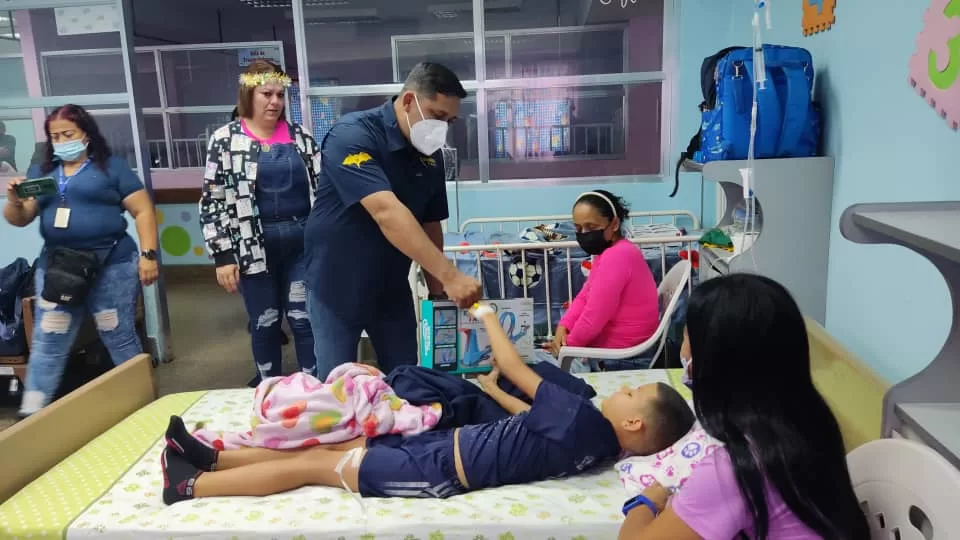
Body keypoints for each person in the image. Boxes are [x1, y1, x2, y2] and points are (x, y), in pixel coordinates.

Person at [160, 301, 695, 505]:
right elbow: (533, 421)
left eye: (630, 392)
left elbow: (515, 368)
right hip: (443, 450)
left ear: (632, 421)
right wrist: (491, 393)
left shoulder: (582, 418)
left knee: (311, 465)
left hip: (435, 470)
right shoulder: (599, 444)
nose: (619, 389)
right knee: (336, 447)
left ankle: (190, 486)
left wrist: (485, 312)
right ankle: (212, 458)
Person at [617, 274, 870, 540]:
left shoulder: (735, 469)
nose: (684, 352)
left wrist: (645, 501)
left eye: (687, 337)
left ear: (711, 361)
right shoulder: (812, 424)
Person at [302, 62, 482, 380]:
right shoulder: (352, 134)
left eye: (449, 121)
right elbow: (386, 212)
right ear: (409, 100)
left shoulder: (430, 157)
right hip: (336, 286)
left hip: (391, 289)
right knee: (337, 385)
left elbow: (430, 223)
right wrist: (451, 275)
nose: (442, 128)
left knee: (405, 379)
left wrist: (438, 292)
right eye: (437, 115)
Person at [3, 104, 159, 417]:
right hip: (60, 268)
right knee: (49, 339)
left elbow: (143, 211)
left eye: (68, 134)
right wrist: (14, 202)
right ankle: (31, 413)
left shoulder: (111, 168)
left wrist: (148, 255)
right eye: (55, 137)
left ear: (86, 134)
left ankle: (146, 406)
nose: (62, 141)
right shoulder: (42, 173)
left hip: (112, 265)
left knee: (117, 333)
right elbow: (21, 218)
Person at [199, 60, 318, 384]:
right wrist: (223, 255)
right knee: (265, 321)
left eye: (280, 95)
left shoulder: (301, 137)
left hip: (302, 245)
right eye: (267, 94)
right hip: (252, 247)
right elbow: (212, 201)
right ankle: (267, 388)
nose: (275, 101)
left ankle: (313, 390)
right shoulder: (225, 140)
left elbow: (321, 189)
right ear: (248, 94)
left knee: (304, 319)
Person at [550, 190, 659, 370]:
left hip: (622, 358)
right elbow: (585, 296)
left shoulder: (618, 256)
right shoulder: (609, 252)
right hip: (614, 352)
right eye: (578, 229)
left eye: (591, 227)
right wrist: (564, 326)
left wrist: (566, 348)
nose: (584, 234)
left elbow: (593, 317)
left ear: (614, 224)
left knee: (533, 367)